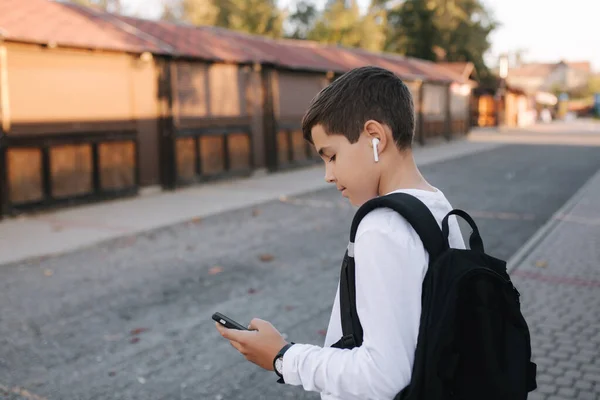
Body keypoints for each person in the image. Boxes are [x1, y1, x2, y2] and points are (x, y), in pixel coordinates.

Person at [215, 66, 465, 399]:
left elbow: (384, 375)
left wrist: (282, 357)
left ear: (375, 137)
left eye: (331, 156)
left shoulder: (382, 227)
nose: (328, 175)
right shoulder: (438, 205)